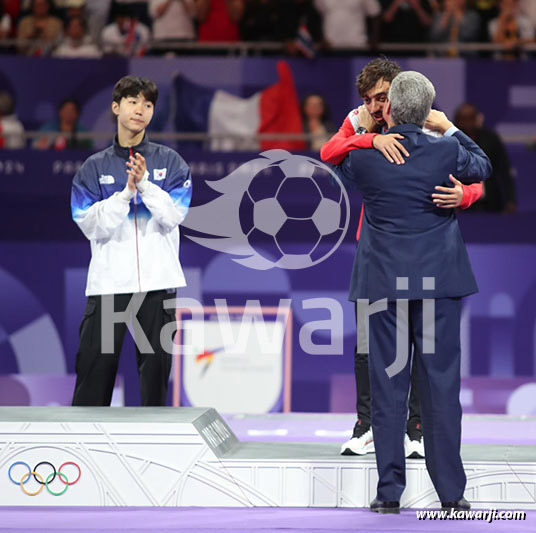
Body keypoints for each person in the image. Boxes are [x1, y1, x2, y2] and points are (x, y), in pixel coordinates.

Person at [334, 71, 491, 513]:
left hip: (384, 284)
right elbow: (483, 167)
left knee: (387, 386)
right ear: (425, 111)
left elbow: (334, 155)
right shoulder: (445, 150)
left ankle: (388, 495)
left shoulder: (366, 159)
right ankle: (451, 494)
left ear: (389, 108)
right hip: (438, 283)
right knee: (441, 386)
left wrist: (364, 132)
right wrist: (450, 128)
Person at [70, 76, 192, 406]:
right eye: (133, 101)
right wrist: (126, 193)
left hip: (158, 284)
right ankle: (81, 454)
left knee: (155, 382)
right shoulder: (92, 168)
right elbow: (88, 224)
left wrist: (146, 185)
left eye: (148, 104)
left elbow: (174, 215)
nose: (141, 109)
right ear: (116, 107)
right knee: (93, 379)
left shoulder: (171, 162)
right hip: (108, 286)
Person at [454, 102, 516, 212]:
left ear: (477, 119)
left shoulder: (491, 140)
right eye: (464, 118)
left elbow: (504, 171)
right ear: (457, 121)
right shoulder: (451, 142)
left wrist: (510, 200)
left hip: (491, 204)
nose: (468, 122)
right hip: (462, 205)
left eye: (471, 118)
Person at [314, 0, 381, 48]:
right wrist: (322, 38)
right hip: (331, 46)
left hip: (357, 44)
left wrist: (374, 39)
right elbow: (319, 15)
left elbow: (375, 13)